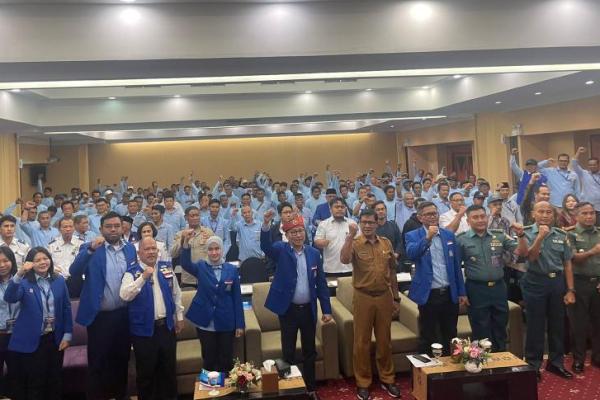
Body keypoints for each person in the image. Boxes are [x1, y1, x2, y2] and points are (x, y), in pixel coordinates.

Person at [261, 210, 332, 398]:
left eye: (301, 231)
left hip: (308, 310)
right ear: (287, 235)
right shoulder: (281, 250)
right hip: (288, 311)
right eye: (293, 232)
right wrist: (266, 224)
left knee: (310, 351)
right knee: (288, 352)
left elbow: (321, 284)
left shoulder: (314, 253)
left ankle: (310, 388)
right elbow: (265, 246)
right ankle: (290, 390)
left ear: (305, 232)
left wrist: (326, 310)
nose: (298, 235)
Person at [70, 211, 137, 400]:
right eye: (109, 226)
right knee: (98, 362)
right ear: (101, 229)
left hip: (124, 315)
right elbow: (74, 271)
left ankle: (120, 396)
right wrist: (90, 249)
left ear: (123, 228)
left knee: (121, 360)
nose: (113, 229)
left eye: (117, 226)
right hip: (100, 317)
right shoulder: (91, 248)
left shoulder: (130, 249)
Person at [339, 209, 401, 400]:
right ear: (360, 223)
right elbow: (344, 259)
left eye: (371, 222)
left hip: (384, 297)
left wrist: (396, 298)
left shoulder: (386, 243)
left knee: (384, 340)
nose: (367, 226)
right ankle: (363, 382)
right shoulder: (355, 243)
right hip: (363, 297)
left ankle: (387, 378)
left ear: (377, 223)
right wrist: (350, 236)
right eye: (364, 222)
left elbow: (392, 272)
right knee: (361, 342)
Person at [119, 237, 184, 400]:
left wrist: (179, 316)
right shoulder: (131, 272)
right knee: (146, 375)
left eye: (153, 248)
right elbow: (124, 295)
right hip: (143, 333)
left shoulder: (166, 268)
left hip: (166, 329)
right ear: (139, 253)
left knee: (168, 372)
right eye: (147, 249)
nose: (151, 252)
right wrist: (143, 278)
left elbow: (176, 293)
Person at [457, 205, 528, 351]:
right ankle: (482, 361)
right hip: (476, 289)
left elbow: (522, 252)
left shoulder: (499, 235)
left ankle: (500, 359)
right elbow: (456, 268)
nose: (480, 220)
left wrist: (521, 235)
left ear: (487, 217)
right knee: (480, 329)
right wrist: (461, 292)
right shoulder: (461, 240)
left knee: (500, 327)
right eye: (475, 217)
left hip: (498, 288)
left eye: (482, 216)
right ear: (468, 221)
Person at [5, 247, 72, 400]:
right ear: (30, 263)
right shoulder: (24, 283)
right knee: (36, 382)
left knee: (55, 380)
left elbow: (66, 308)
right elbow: (10, 297)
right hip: (34, 340)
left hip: (55, 338)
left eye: (45, 258)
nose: (42, 262)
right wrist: (19, 273)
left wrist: (68, 334)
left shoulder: (59, 280)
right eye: (37, 260)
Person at [521, 201, 575, 380]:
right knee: (535, 325)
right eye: (541, 211)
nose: (545, 215)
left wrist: (570, 289)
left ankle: (556, 363)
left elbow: (567, 263)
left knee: (557, 324)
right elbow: (531, 257)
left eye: (548, 212)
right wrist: (540, 237)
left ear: (553, 215)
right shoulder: (526, 232)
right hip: (535, 281)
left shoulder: (561, 234)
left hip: (557, 282)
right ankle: (533, 365)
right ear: (533, 214)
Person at [405, 201, 467, 356]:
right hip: (429, 294)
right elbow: (411, 254)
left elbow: (456, 265)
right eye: (428, 214)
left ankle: (450, 366)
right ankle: (428, 368)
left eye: (434, 213)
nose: (432, 217)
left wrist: (461, 292)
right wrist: (427, 238)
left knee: (450, 333)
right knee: (428, 335)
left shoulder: (448, 235)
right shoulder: (412, 235)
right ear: (420, 217)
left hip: (449, 293)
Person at [179, 233, 244, 373]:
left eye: (217, 249)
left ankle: (226, 386)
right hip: (205, 322)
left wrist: (239, 324)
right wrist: (185, 243)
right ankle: (208, 386)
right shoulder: (201, 267)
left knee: (226, 359)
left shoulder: (231, 269)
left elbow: (237, 298)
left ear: (222, 250)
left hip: (226, 320)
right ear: (207, 251)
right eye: (210, 249)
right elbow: (185, 264)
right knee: (209, 359)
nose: (214, 252)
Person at [566, 202, 600, 373]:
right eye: (585, 213)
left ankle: (597, 357)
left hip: (598, 283)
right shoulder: (570, 234)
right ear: (576, 216)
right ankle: (578, 359)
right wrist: (593, 251)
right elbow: (573, 258)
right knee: (578, 324)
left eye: (591, 213)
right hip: (579, 283)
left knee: (598, 322)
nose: (589, 216)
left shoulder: (599, 233)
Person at [171, 207, 214, 288]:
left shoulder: (208, 232)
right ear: (186, 217)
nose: (195, 218)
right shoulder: (180, 234)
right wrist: (183, 239)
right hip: (188, 279)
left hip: (205, 277)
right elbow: (173, 254)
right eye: (192, 216)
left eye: (197, 215)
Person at [313, 198, 354, 277]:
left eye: (342, 207)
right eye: (337, 207)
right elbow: (317, 241)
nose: (340, 209)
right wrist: (321, 242)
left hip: (350, 268)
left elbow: (359, 242)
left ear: (345, 209)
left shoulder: (352, 223)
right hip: (331, 269)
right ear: (330, 209)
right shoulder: (324, 224)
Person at [47, 218, 84, 297]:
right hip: (58, 280)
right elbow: (48, 264)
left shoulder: (81, 243)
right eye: (65, 227)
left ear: (74, 228)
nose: (68, 229)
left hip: (77, 280)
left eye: (70, 226)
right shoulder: (52, 245)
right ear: (59, 229)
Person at [0, 247, 19, 397]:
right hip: (0, 334)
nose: (2, 265)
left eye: (5, 260)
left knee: (17, 372)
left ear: (12, 261)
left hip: (18, 335)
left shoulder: (22, 280)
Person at [572, 147, 600, 224]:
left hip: (599, 207)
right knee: (587, 225)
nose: (592, 166)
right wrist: (578, 152)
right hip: (587, 207)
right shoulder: (584, 173)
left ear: (598, 165)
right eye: (590, 165)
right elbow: (574, 164)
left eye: (594, 165)